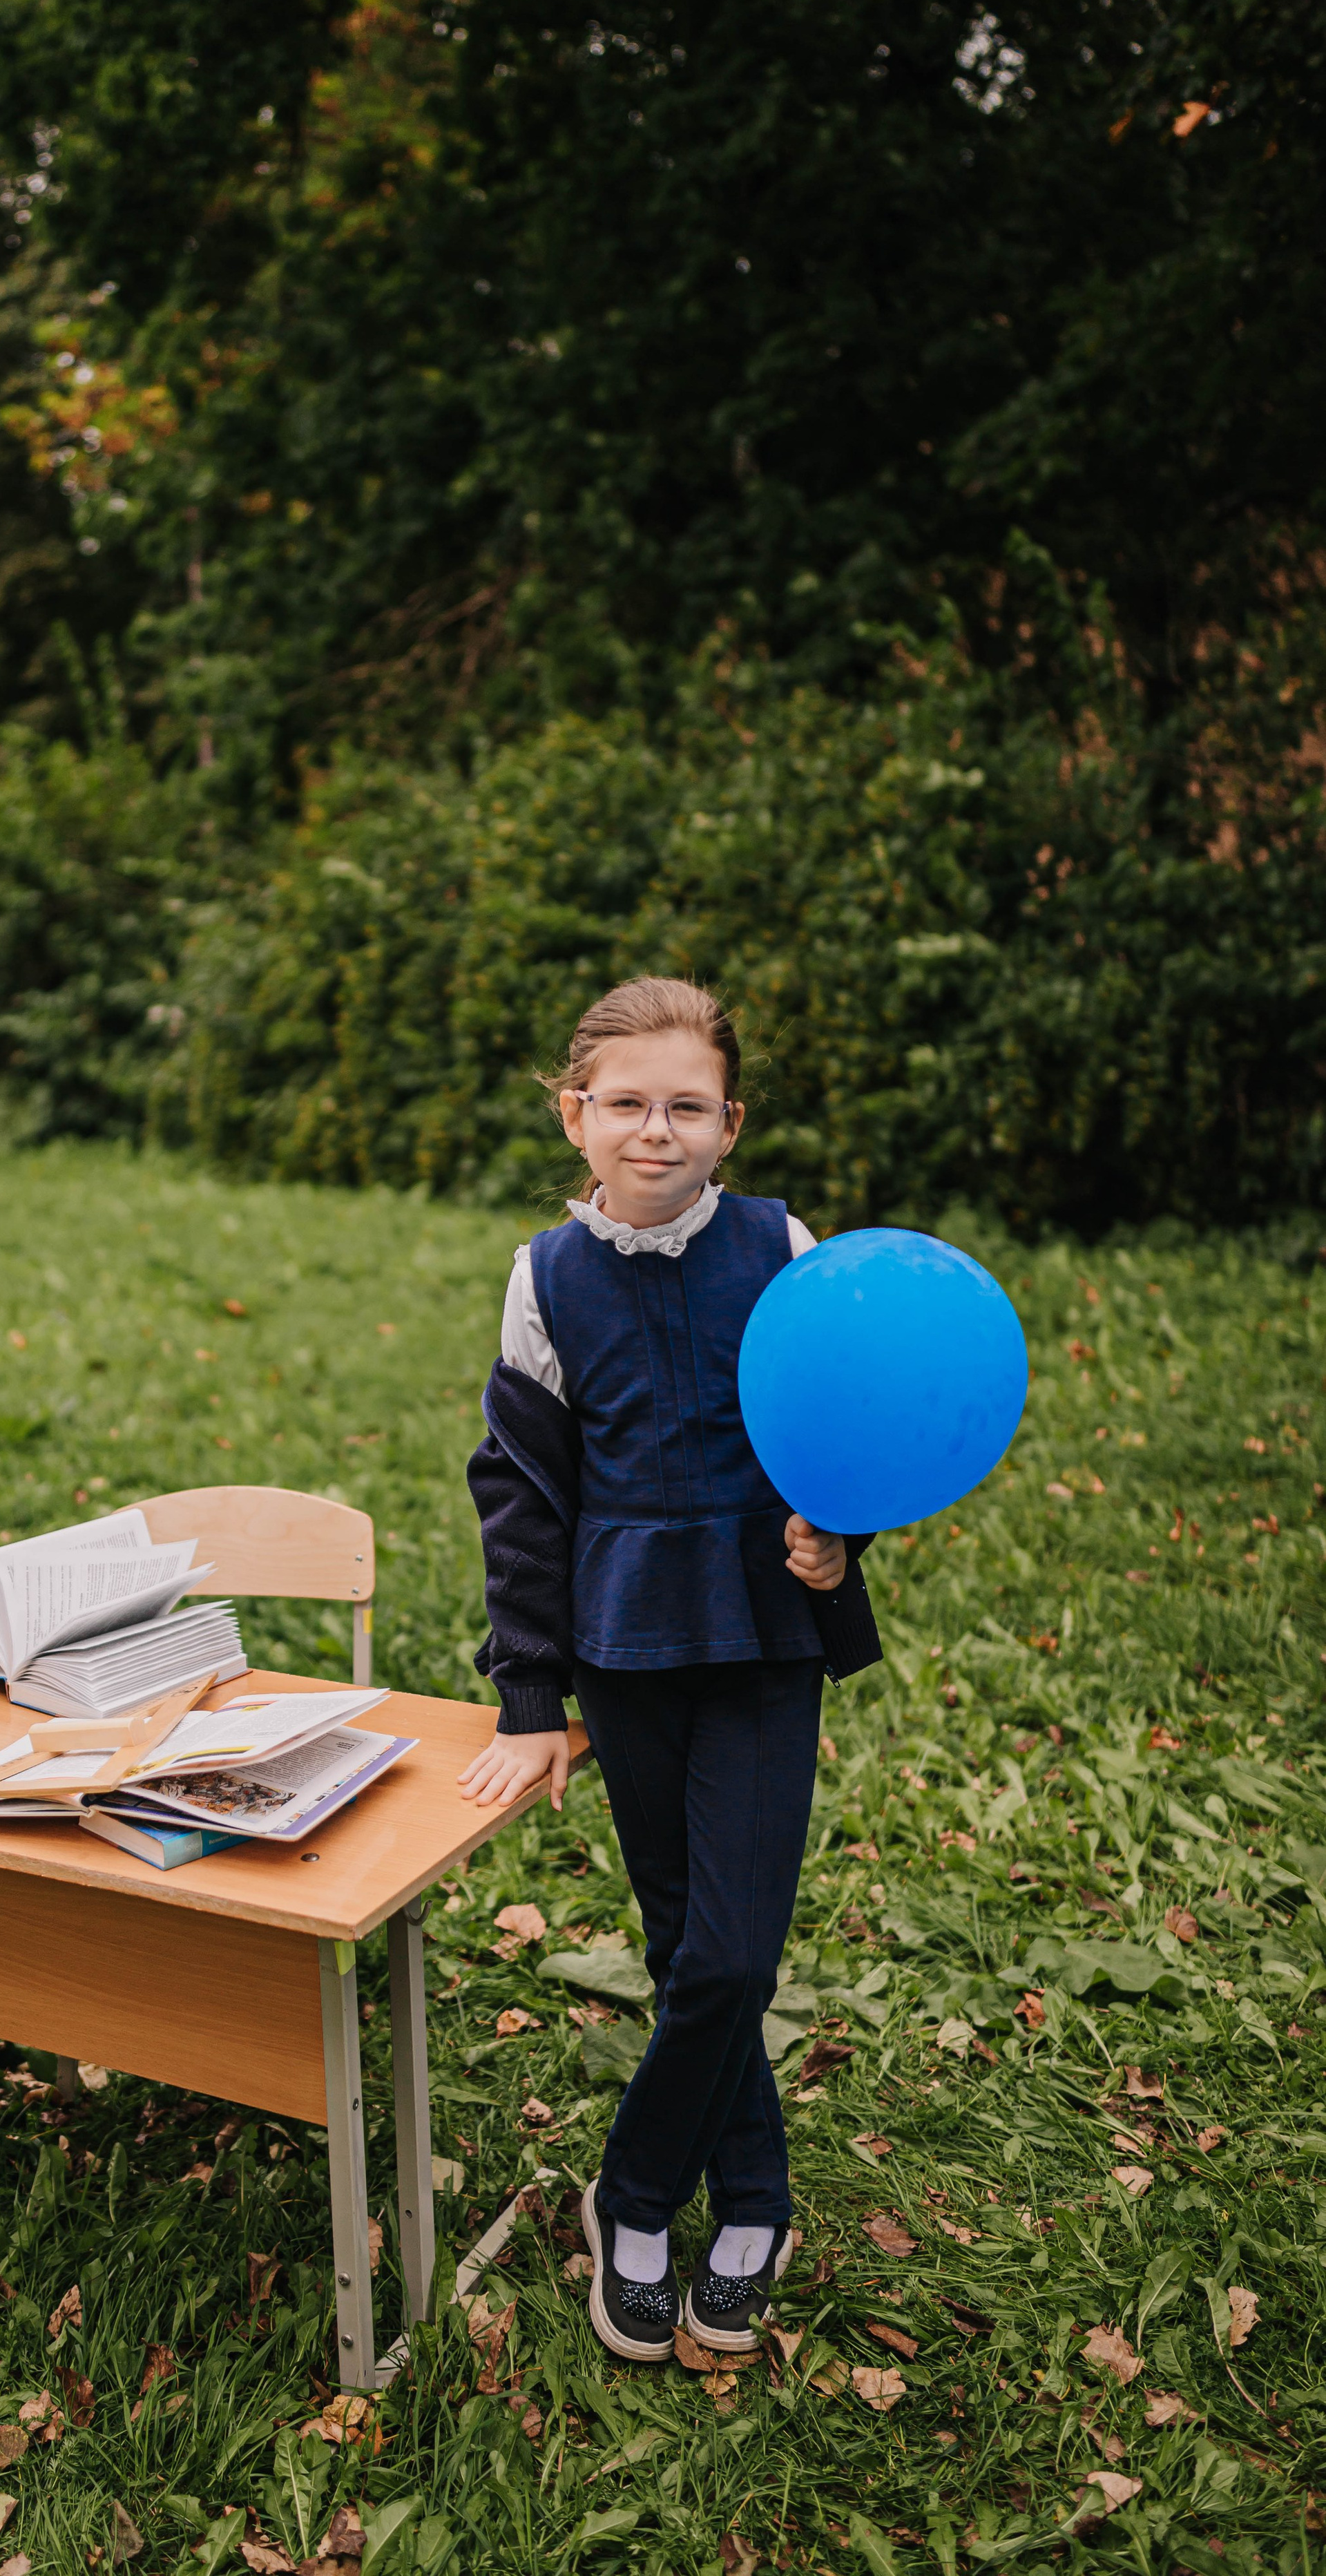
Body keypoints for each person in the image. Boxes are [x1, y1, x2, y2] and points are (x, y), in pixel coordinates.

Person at [457, 975, 881, 2363]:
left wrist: (841, 1541)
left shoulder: (780, 1246)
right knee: (680, 1946)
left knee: (727, 1956)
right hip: (622, 1644)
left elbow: (844, 1431)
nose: (656, 1130)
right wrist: (530, 1698)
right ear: (576, 1116)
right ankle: (751, 2202)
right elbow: (520, 1496)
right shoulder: (544, 1276)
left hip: (762, 1638)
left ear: (728, 1121)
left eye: (685, 1106)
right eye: (625, 1104)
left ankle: (631, 2193)